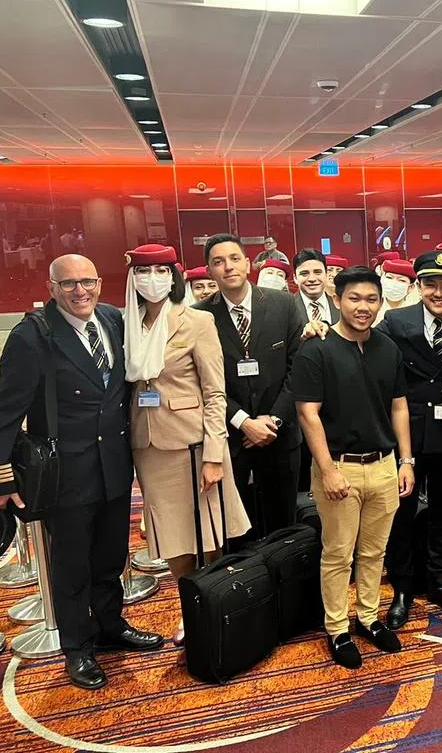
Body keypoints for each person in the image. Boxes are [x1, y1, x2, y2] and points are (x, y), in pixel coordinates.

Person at [0, 254, 163, 690]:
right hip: (66, 472)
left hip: (114, 465)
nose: (80, 292)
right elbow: (6, 410)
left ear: (99, 283)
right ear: (52, 288)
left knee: (111, 555)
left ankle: (111, 627)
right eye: (69, 284)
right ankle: (77, 648)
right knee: (72, 564)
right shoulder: (32, 336)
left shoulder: (113, 320)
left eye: (87, 282)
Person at [122, 245, 251, 646]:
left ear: (174, 277)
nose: (152, 280)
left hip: (194, 444)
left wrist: (214, 454)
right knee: (172, 534)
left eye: (161, 271)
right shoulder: (126, 324)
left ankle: (216, 605)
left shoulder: (196, 321)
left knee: (208, 534)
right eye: (143, 272)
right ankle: (189, 608)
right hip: (148, 445)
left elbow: (216, 393)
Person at [292, 266, 415, 670]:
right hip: (339, 468)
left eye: (371, 299)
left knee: (374, 551)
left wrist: (406, 460)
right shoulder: (316, 350)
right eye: (354, 298)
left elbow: (399, 406)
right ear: (337, 299)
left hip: (384, 467)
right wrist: (327, 469)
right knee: (338, 554)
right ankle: (337, 628)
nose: (364, 307)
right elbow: (307, 414)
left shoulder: (387, 348)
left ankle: (368, 617)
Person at [380, 249, 442, 629]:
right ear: (418, 286)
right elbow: (365, 346)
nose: (439, 293)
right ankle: (402, 589)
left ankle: (439, 582)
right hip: (408, 436)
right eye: (431, 285)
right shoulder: (395, 321)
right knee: (402, 514)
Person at [193, 233, 306, 541]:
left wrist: (274, 420)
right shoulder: (199, 315)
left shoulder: (284, 304)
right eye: (218, 262)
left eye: (234, 259)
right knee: (235, 531)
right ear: (209, 271)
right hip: (231, 438)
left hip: (280, 434)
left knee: (283, 528)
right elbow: (200, 381)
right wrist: (244, 422)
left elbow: (298, 369)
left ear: (247, 263)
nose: (228, 267)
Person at [293, 249, 333, 328]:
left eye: (317, 272)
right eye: (304, 273)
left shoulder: (340, 305)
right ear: (295, 278)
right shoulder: (286, 308)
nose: (312, 279)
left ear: (327, 275)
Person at [375, 259, 417, 324]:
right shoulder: (374, 307)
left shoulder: (415, 312)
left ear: (410, 287)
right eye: (389, 277)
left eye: (401, 280)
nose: (393, 283)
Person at [319, 254, 349, 325]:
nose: (334, 274)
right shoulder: (315, 300)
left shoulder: (347, 300)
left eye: (338, 271)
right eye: (329, 270)